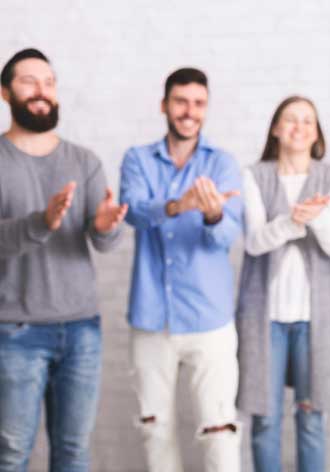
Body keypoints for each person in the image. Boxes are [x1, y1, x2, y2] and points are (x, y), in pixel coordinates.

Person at [0, 48, 126, 472]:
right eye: (30, 81)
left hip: (81, 331)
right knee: (12, 454)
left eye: (49, 83)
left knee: (74, 453)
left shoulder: (84, 161)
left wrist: (106, 226)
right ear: (4, 93)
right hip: (13, 332)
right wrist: (43, 220)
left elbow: (104, 243)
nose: (42, 91)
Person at [119, 67, 243, 472]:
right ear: (164, 105)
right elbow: (134, 212)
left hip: (209, 320)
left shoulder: (222, 163)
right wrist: (178, 204)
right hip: (152, 318)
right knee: (155, 430)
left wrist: (210, 215)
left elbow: (226, 237)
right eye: (181, 101)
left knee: (219, 430)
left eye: (198, 103)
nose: (189, 111)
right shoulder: (137, 159)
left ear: (205, 109)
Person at [236, 96, 330, 472]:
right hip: (263, 317)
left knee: (311, 417)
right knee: (265, 418)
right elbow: (254, 242)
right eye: (290, 119)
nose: (299, 127)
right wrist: (294, 221)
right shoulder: (256, 175)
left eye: (307, 121)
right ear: (275, 128)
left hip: (315, 321)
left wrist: (312, 220)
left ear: (316, 133)